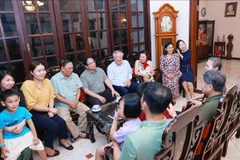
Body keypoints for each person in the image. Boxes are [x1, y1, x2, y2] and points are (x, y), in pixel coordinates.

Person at [20, 61, 73, 157]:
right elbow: (32, 105)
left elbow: (51, 97)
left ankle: (62, 140)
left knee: (61, 122)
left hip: (48, 108)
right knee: (53, 126)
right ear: (32, 72)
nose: (42, 73)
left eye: (43, 70)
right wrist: (49, 110)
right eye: (39, 71)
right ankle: (48, 147)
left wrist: (51, 108)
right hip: (34, 112)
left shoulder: (47, 81)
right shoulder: (27, 84)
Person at [114, 82, 173, 160]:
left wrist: (115, 143)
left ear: (144, 105)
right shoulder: (173, 124)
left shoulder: (133, 139)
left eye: (142, 97)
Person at [0, 89, 47, 160]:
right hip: (10, 139)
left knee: (40, 146)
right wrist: (2, 146)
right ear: (3, 103)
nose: (14, 104)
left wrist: (35, 136)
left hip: (26, 134)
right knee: (8, 157)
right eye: (10, 102)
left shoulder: (23, 110)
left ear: (19, 99)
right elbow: (0, 131)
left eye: (16, 101)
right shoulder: (1, 116)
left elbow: (30, 123)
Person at [51, 59, 90, 142]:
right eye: (69, 68)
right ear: (62, 68)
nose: (71, 70)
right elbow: (56, 95)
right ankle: (78, 134)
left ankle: (79, 131)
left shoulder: (75, 76)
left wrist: (76, 102)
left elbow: (78, 89)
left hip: (75, 101)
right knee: (65, 119)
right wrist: (70, 103)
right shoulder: (54, 79)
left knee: (87, 111)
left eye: (72, 68)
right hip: (62, 104)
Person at [95, 93, 142, 160]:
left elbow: (111, 136)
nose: (118, 109)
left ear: (127, 111)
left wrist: (115, 119)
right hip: (133, 150)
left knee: (99, 151)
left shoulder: (125, 130)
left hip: (124, 153)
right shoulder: (138, 120)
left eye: (119, 107)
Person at [0, 70, 32, 160]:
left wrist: (21, 125)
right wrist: (7, 128)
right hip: (3, 129)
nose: (11, 83)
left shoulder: (18, 93)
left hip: (20, 124)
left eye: (12, 80)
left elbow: (25, 111)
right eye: (7, 80)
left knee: (26, 149)